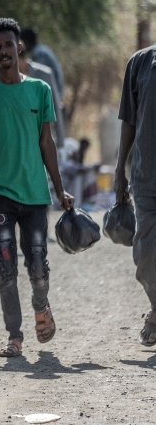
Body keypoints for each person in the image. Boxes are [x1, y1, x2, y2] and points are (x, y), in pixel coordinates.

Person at [0, 18, 74, 358]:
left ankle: (42, 306)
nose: (2, 52)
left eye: (8, 45)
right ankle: (15, 336)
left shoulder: (40, 90)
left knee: (38, 265)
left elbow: (47, 143)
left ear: (18, 46)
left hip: (36, 194)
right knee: (6, 265)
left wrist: (60, 189)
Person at [114, 45, 156, 347]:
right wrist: (119, 171)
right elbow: (129, 120)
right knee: (146, 251)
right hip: (146, 177)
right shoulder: (141, 63)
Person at [20, 28, 65, 98]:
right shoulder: (40, 50)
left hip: (54, 92)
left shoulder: (39, 53)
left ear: (26, 42)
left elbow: (41, 76)